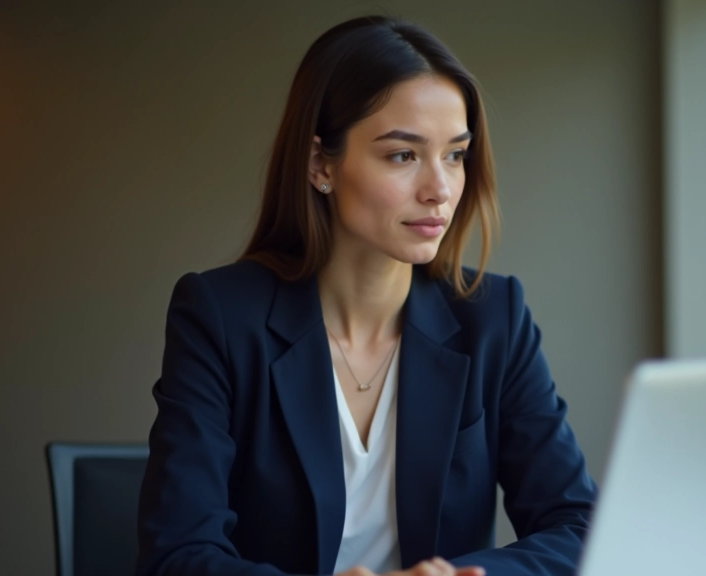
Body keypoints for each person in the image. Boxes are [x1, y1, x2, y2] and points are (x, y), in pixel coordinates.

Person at [136, 15, 597, 576]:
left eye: (454, 154)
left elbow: (578, 527)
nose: (440, 189)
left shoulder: (493, 317)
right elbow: (178, 555)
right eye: (403, 155)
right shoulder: (219, 317)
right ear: (320, 164)